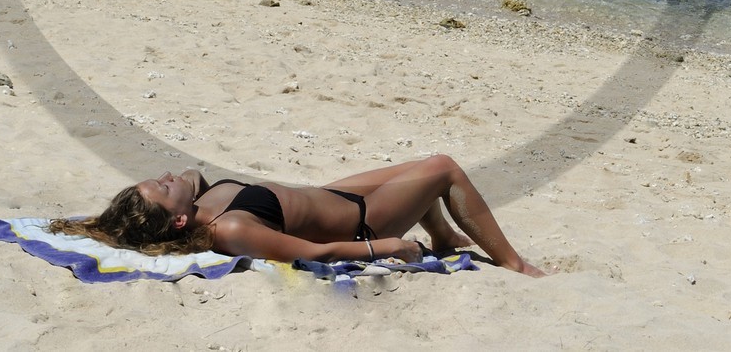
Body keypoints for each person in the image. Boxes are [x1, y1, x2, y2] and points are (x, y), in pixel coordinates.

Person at [52, 153, 545, 276]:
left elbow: (190, 173)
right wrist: (386, 246)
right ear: (179, 221)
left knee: (418, 172)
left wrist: (114, 220)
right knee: (441, 168)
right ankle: (513, 263)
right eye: (162, 189)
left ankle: (442, 236)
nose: (167, 178)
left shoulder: (198, 199)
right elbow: (316, 251)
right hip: (362, 221)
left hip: (329, 196)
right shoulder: (232, 228)